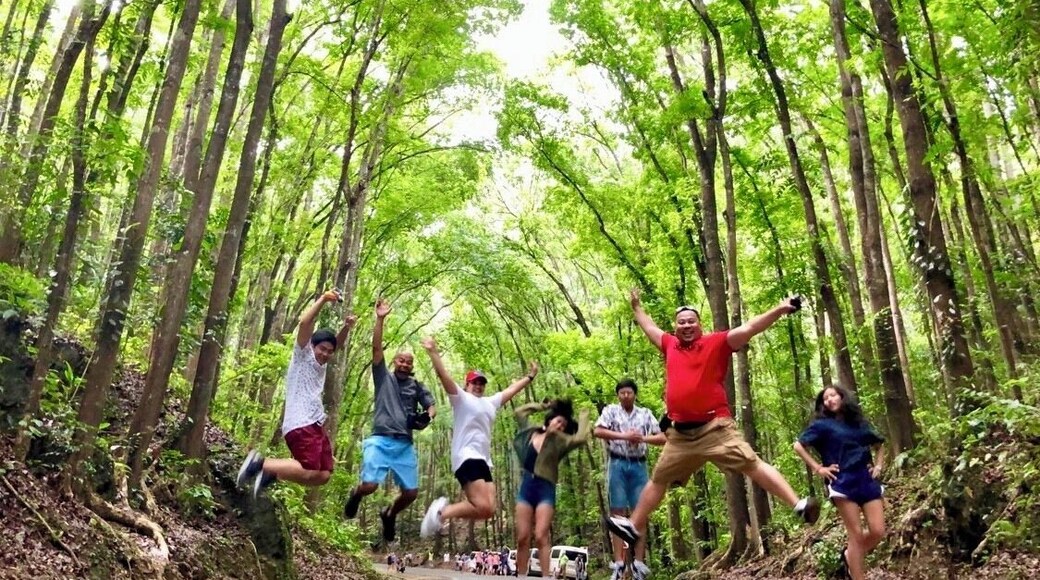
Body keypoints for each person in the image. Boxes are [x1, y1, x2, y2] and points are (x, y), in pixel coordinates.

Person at [608, 289, 821, 579]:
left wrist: (780, 309)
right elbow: (648, 325)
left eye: (690, 321)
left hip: (714, 428)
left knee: (751, 463)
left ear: (699, 324)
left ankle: (797, 504)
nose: (685, 326)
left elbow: (749, 328)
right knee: (658, 478)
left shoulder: (717, 342)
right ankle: (633, 526)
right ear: (675, 327)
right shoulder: (669, 344)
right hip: (680, 436)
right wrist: (635, 306)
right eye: (681, 322)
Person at [237, 289, 356, 497]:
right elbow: (304, 324)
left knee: (324, 474)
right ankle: (259, 464)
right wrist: (323, 300)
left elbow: (337, 345)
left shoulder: (323, 363)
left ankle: (269, 474)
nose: (326, 354)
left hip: (315, 424)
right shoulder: (303, 355)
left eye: (329, 351)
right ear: (312, 346)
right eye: (322, 349)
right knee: (310, 468)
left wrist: (346, 328)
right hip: (301, 422)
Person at [419, 336, 539, 537]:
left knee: (488, 510)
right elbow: (444, 376)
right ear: (467, 384)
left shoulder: (490, 402)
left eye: (482, 382)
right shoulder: (461, 399)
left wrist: (530, 376)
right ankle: (442, 513)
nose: (479, 385)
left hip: (484, 460)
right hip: (466, 456)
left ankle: (442, 513)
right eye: (475, 382)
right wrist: (433, 353)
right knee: (482, 504)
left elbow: (511, 390)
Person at [342, 298, 437, 542]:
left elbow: (430, 404)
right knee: (370, 486)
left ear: (412, 365)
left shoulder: (417, 385)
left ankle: (389, 513)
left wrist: (429, 415)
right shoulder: (383, 377)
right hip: (380, 440)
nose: (404, 364)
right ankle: (356, 493)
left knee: (412, 493)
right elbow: (376, 349)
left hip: (404, 444)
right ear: (395, 361)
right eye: (401, 360)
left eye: (408, 361)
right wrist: (380, 319)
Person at [794, 385, 886, 580]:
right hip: (842, 482)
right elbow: (798, 446)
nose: (829, 400)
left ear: (842, 397)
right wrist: (818, 468)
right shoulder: (822, 425)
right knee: (856, 535)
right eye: (825, 399)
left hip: (866, 480)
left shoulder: (859, 423)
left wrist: (877, 466)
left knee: (878, 531)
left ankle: (848, 555)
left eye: (833, 395)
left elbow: (879, 445)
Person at [594, 378, 666, 580]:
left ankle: (639, 563)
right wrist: (625, 436)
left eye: (629, 392)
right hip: (617, 463)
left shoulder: (645, 414)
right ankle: (618, 563)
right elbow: (598, 430)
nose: (626, 396)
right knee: (617, 513)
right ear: (618, 395)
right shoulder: (610, 411)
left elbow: (662, 437)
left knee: (640, 512)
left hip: (639, 464)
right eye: (622, 393)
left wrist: (642, 438)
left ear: (635, 394)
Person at [513, 398, 590, 577]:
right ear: (550, 420)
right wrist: (543, 405)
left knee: (541, 535)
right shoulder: (531, 433)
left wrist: (584, 411)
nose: (561, 426)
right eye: (559, 421)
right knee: (522, 537)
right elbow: (519, 412)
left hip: (545, 489)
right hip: (526, 487)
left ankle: (546, 576)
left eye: (564, 425)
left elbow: (581, 437)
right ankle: (521, 575)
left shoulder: (561, 442)